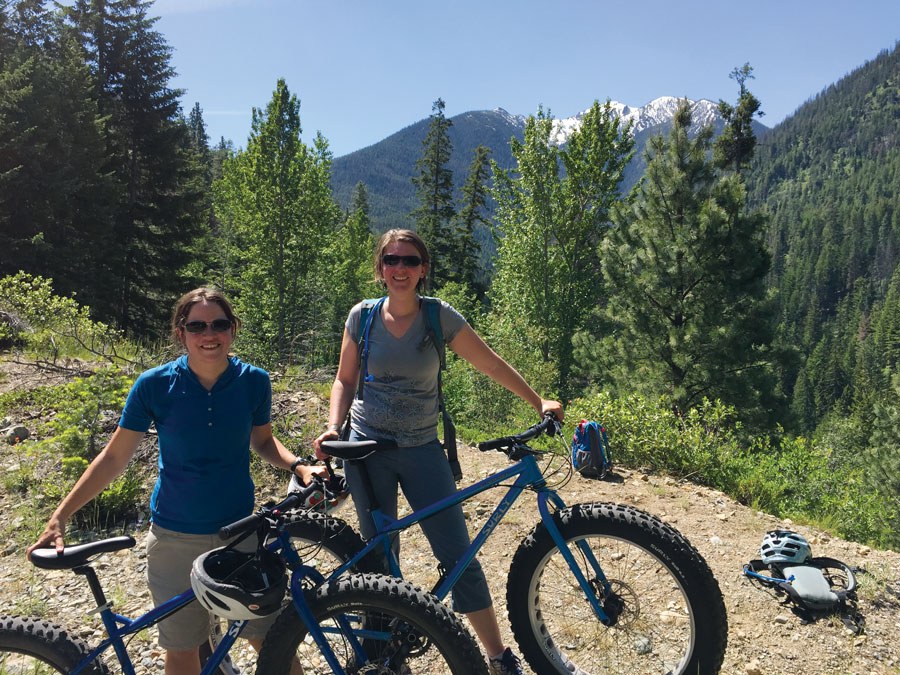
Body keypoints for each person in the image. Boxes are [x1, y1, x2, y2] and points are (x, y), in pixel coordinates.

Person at [27, 287, 320, 675]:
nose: (208, 334)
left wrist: (299, 466)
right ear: (180, 333)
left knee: (270, 641)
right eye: (197, 326)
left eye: (218, 324)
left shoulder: (254, 382)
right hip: (174, 538)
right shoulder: (154, 385)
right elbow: (114, 457)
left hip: (241, 534)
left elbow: (263, 441)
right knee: (184, 649)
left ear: (233, 329)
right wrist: (60, 517)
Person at [313, 229, 564, 675]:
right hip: (365, 450)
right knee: (378, 558)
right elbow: (344, 380)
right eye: (391, 260)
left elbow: (489, 362)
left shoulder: (438, 316)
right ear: (380, 268)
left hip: (422, 448)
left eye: (410, 260)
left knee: (458, 555)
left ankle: (497, 656)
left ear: (423, 269)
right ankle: (382, 655)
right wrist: (334, 427)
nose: (400, 268)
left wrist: (537, 400)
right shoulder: (362, 316)